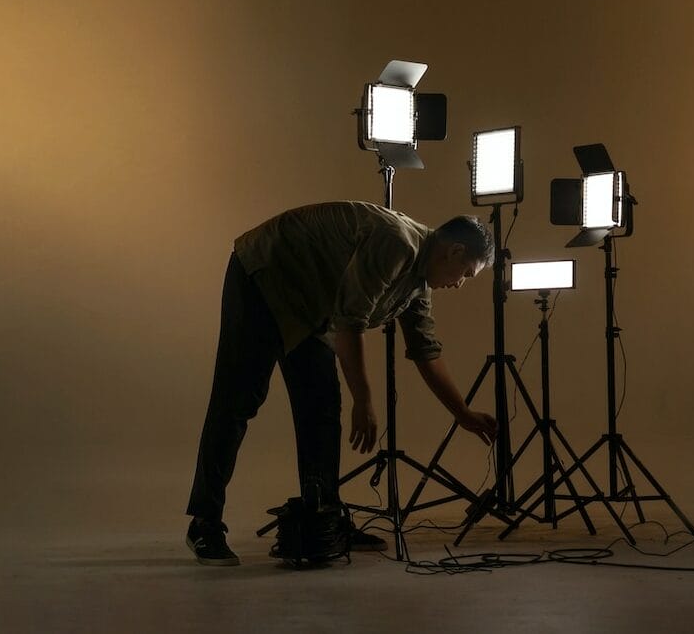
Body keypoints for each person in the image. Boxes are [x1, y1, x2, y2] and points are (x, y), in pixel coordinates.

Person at [185, 200, 499, 565]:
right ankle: (204, 523)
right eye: (466, 273)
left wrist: (461, 413)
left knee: (321, 407)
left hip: (314, 303)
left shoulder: (418, 285)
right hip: (264, 272)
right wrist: (363, 400)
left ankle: (324, 517)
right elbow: (351, 322)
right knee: (238, 399)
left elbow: (425, 350)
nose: (459, 284)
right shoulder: (397, 243)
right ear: (455, 251)